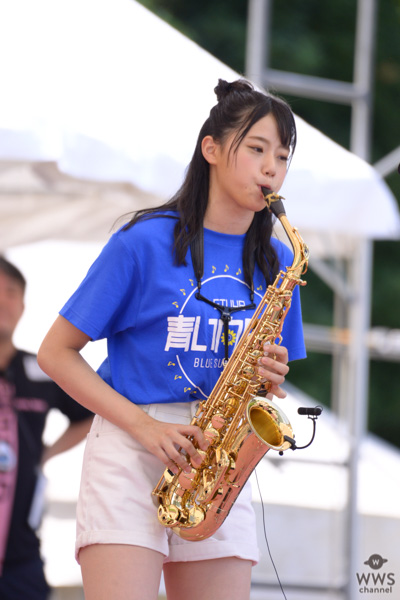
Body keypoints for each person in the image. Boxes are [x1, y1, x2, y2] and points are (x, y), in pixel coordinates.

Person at [38, 78, 306, 600]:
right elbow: (55, 353)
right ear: (210, 149)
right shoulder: (142, 242)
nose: (271, 167)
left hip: (218, 454)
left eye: (282, 155)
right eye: (255, 149)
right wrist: (142, 427)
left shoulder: (277, 261)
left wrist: (271, 377)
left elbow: (266, 383)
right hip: (131, 443)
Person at [0, 256, 93, 600]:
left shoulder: (39, 367)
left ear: (22, 305)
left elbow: (89, 412)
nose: (3, 301)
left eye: (11, 292)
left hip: (21, 555)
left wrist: (45, 454)